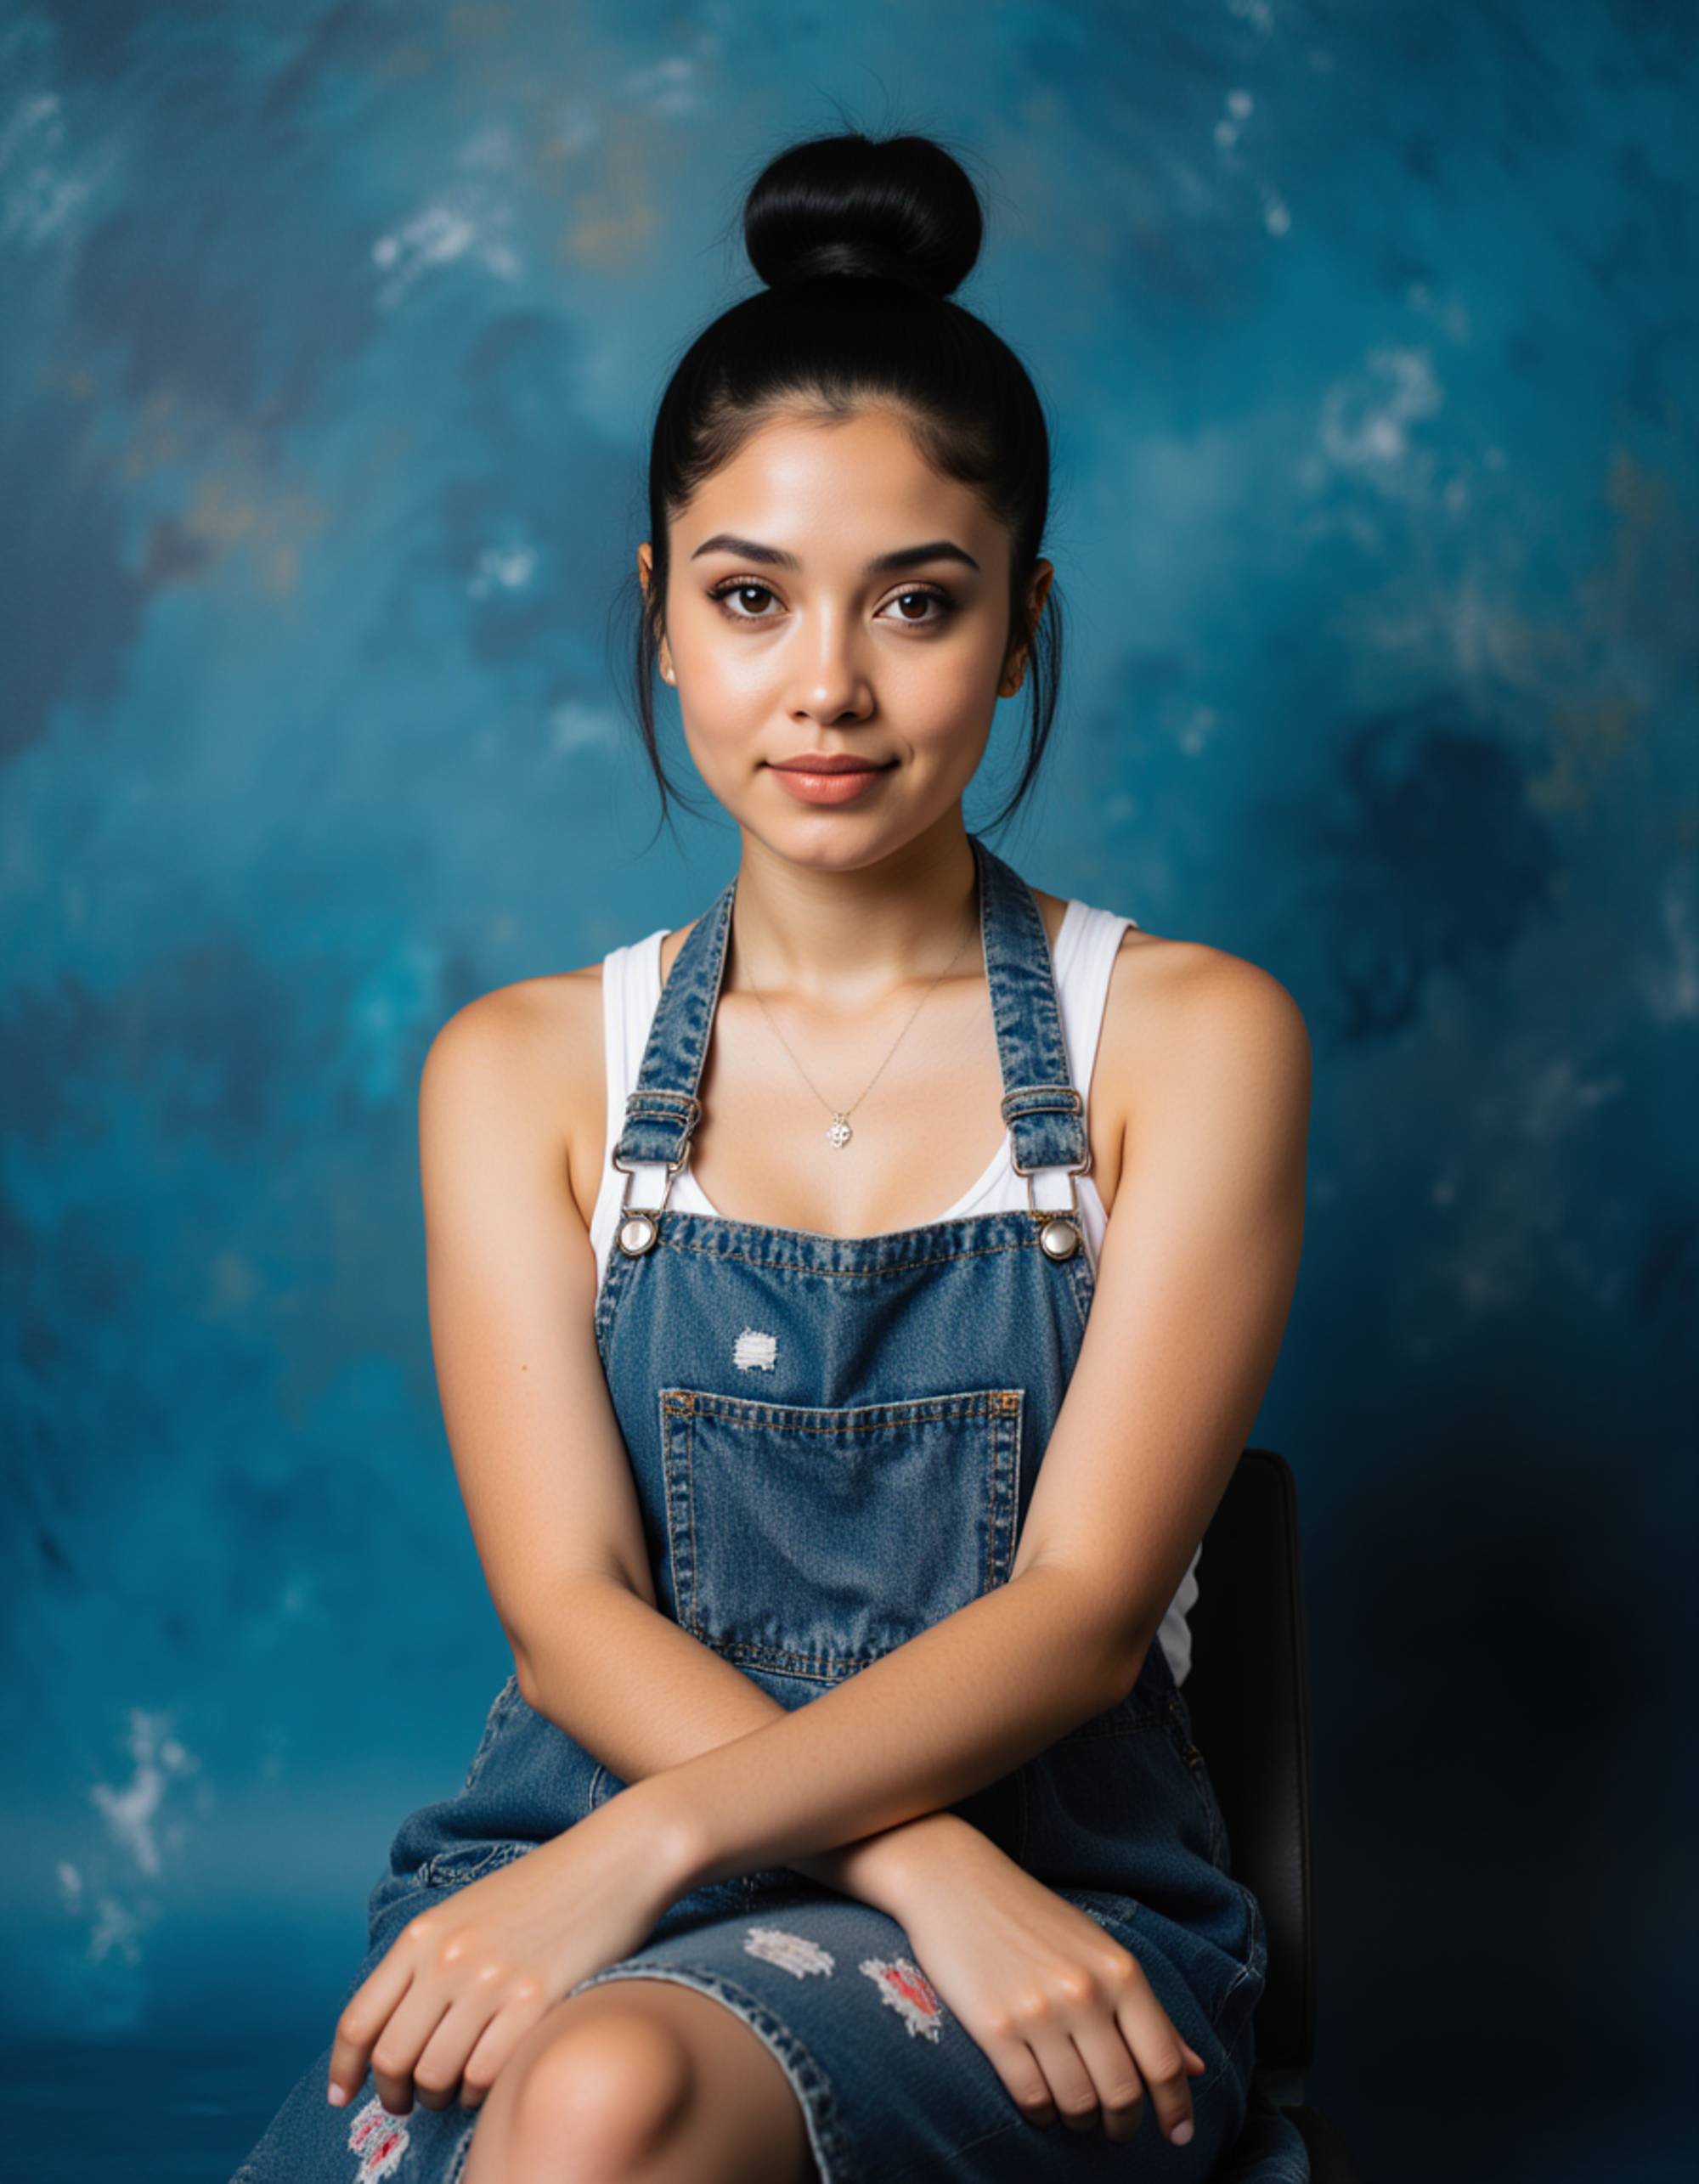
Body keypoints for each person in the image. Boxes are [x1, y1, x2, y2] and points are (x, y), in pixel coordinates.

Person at [231, 127, 1313, 2184]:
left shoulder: (1183, 1042)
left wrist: (922, 1881)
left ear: (1018, 626)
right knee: (580, 2074)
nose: (826, 685)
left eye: (917, 601)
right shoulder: (525, 1069)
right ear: (660, 615)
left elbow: (1087, 1608)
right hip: (592, 1866)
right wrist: (868, 1859)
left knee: (609, 2092)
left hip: (1048, 1921)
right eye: (750, 597)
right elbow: (567, 1609)